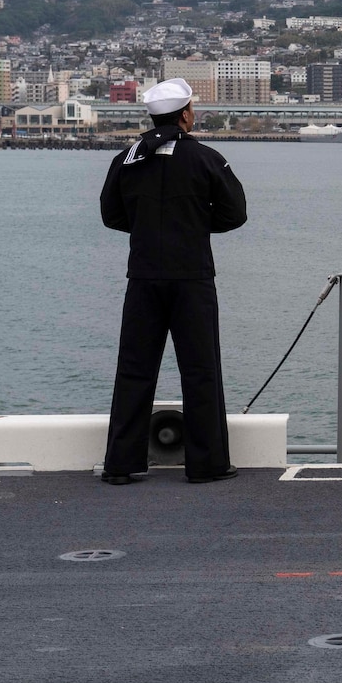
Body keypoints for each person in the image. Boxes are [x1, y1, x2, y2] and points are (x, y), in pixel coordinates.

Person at [99, 78, 248, 485]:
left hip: (144, 275)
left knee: (134, 368)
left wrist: (147, 229)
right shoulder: (206, 158)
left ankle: (120, 464)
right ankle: (208, 464)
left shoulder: (126, 159)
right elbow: (235, 214)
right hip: (192, 276)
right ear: (186, 115)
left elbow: (111, 215)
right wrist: (196, 226)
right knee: (200, 369)